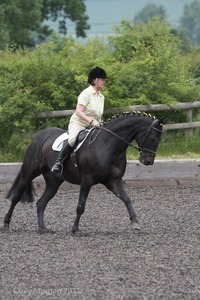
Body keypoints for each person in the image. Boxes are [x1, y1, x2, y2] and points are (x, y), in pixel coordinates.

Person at [51, 66, 107, 175]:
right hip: (79, 123)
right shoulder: (86, 93)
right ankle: (58, 163)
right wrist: (92, 122)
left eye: (104, 80)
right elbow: (79, 111)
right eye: (102, 79)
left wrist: (100, 122)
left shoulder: (101, 97)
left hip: (94, 125)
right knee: (72, 140)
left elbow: (99, 114)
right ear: (94, 80)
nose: (104, 81)